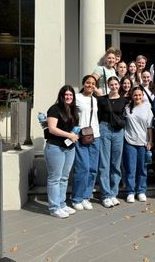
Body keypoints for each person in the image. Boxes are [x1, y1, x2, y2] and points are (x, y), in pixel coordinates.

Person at [44, 85, 79, 218]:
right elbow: (52, 129)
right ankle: (54, 208)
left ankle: (62, 204)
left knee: (64, 178)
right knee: (54, 179)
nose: (68, 97)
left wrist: (75, 134)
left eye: (71, 95)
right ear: (61, 96)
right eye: (66, 95)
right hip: (55, 147)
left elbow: (74, 128)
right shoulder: (54, 109)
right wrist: (69, 135)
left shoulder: (73, 110)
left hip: (69, 148)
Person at [97, 76, 128, 208]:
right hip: (104, 129)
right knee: (104, 163)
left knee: (116, 163)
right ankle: (105, 195)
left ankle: (113, 193)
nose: (114, 86)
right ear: (108, 85)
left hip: (118, 132)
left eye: (116, 84)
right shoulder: (102, 99)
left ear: (119, 85)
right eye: (112, 84)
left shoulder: (124, 100)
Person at [72, 75, 100, 211]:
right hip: (81, 136)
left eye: (93, 83)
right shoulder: (77, 97)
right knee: (83, 168)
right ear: (83, 84)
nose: (90, 85)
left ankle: (86, 197)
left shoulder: (95, 100)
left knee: (93, 169)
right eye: (88, 83)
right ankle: (77, 198)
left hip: (95, 136)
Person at [123, 86, 154, 203]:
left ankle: (141, 191)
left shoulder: (147, 108)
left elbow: (149, 126)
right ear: (132, 96)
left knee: (142, 168)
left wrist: (150, 140)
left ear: (142, 95)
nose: (137, 97)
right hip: (130, 141)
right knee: (130, 169)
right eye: (135, 95)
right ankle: (130, 192)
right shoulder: (127, 108)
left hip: (143, 142)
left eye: (140, 95)